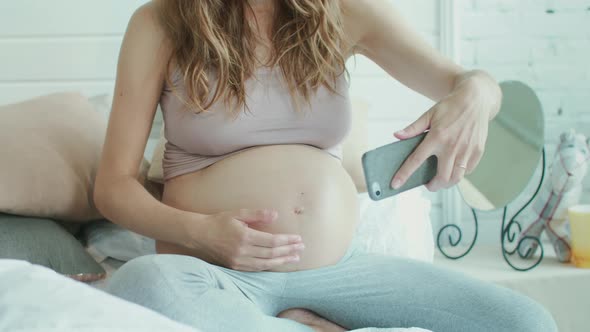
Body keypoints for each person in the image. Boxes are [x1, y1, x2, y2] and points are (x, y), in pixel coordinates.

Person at [94, 1, 558, 331]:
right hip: (211, 271)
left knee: (527, 322)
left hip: (339, 271)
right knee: (141, 284)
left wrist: (476, 95)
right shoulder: (160, 21)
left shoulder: (341, 12)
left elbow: (468, 82)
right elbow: (112, 186)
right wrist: (200, 232)